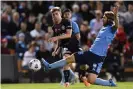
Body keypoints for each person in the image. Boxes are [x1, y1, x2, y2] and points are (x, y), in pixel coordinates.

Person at [42, 6, 119, 87]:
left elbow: (116, 25)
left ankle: (108, 83)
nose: (103, 19)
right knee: (70, 59)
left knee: (91, 80)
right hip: (91, 53)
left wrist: (115, 15)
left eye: (104, 17)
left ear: (109, 20)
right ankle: (49, 66)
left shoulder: (112, 28)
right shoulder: (104, 28)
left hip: (99, 58)